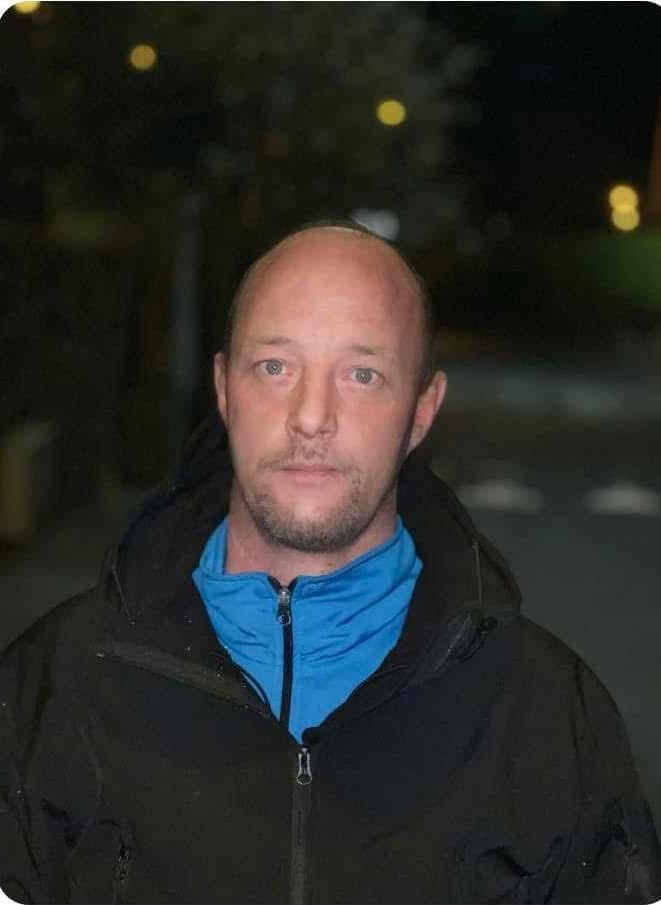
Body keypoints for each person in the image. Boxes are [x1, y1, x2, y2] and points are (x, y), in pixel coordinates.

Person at [1, 222, 660, 905]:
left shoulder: (549, 715)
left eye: (362, 374)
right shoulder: (51, 689)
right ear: (224, 388)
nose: (311, 415)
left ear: (421, 411)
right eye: (275, 367)